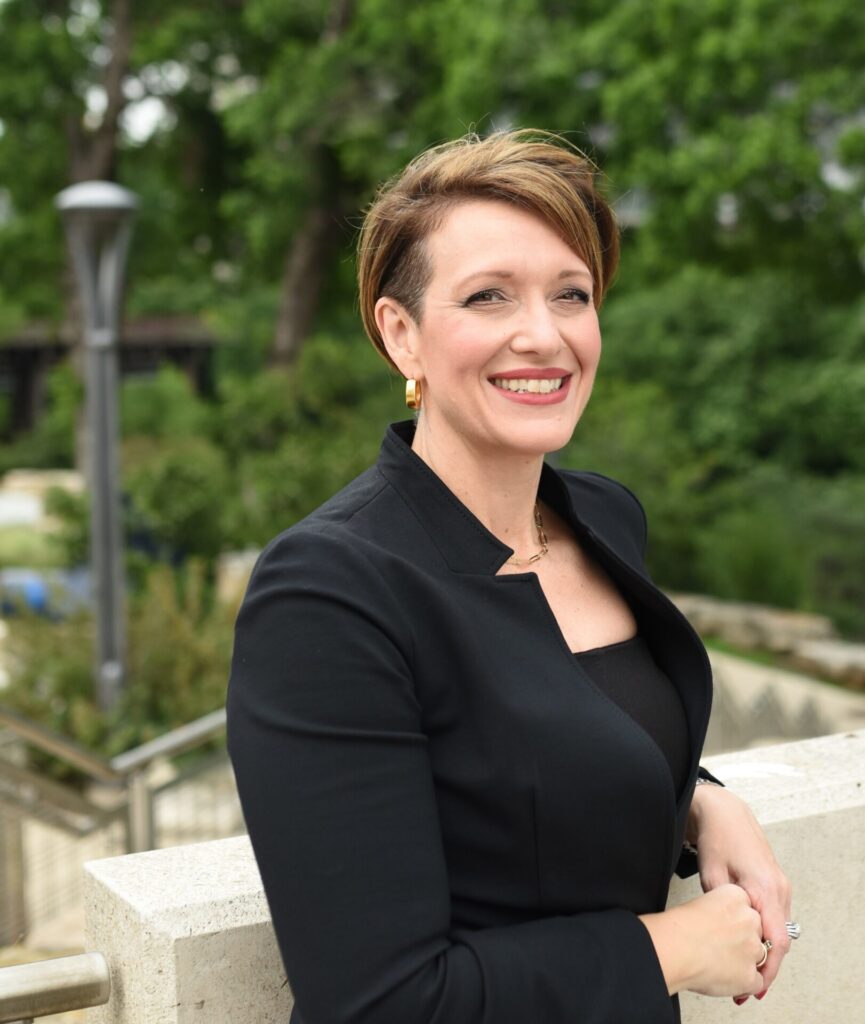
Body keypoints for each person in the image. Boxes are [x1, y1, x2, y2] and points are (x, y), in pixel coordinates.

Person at [226, 129, 795, 1024]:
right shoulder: (329, 590)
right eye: (488, 296)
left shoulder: (603, 516)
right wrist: (677, 946)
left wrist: (702, 806)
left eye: (572, 294)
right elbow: (381, 999)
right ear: (400, 333)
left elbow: (556, 743)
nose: (544, 335)